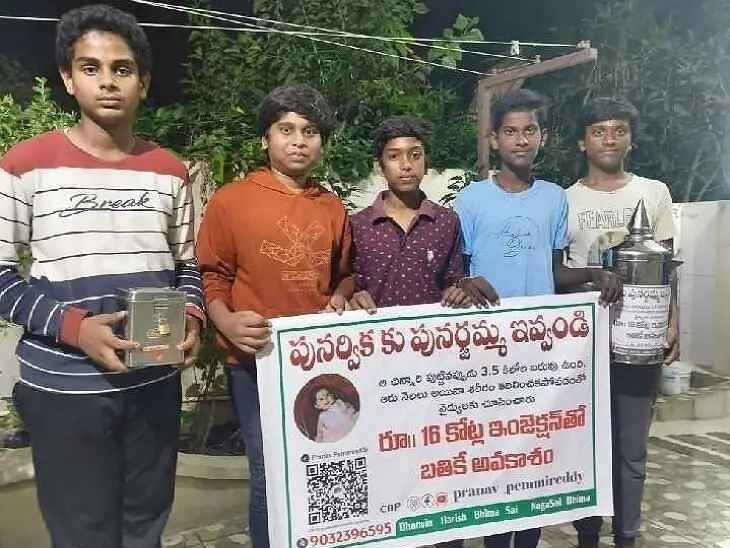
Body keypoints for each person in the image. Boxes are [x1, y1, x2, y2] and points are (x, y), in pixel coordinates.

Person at [0, 5, 205, 548]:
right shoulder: (25, 165)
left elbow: (187, 267)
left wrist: (191, 315)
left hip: (153, 385)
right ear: (68, 79)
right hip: (64, 387)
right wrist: (76, 329)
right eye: (91, 68)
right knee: (82, 533)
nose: (108, 81)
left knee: (145, 526)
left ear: (144, 83)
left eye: (122, 69)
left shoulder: (170, 171)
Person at [452, 89, 622, 548]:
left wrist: (594, 274)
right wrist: (466, 284)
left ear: (541, 137)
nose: (521, 140)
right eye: (510, 131)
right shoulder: (470, 202)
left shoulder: (553, 199)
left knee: (532, 460)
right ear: (494, 139)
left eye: (529, 131)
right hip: (487, 351)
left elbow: (556, 271)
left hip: (538, 356)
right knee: (492, 456)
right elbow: (457, 274)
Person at [195, 84, 353, 548]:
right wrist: (225, 322)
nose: (298, 141)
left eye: (310, 131)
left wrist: (341, 295)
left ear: (322, 143)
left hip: (317, 364)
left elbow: (345, 276)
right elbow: (212, 277)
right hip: (254, 363)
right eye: (286, 130)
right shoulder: (232, 200)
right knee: (269, 472)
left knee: (322, 466)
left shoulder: (331, 207)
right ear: (266, 139)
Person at [347, 115, 497, 548]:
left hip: (433, 374)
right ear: (379, 165)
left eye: (414, 155)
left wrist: (460, 291)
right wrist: (353, 293)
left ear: (426, 161)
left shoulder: (446, 221)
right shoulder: (358, 225)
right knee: (387, 466)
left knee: (438, 463)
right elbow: (348, 281)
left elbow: (452, 278)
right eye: (395, 156)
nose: (406, 164)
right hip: (378, 372)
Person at [567, 97, 678, 548]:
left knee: (632, 447)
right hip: (585, 346)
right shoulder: (565, 200)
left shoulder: (654, 193)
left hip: (640, 344)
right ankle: (587, 534)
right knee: (587, 445)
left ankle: (627, 535)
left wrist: (672, 322)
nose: (609, 139)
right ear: (582, 142)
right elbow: (561, 272)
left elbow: (668, 269)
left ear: (630, 139)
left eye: (619, 130)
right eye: (598, 131)